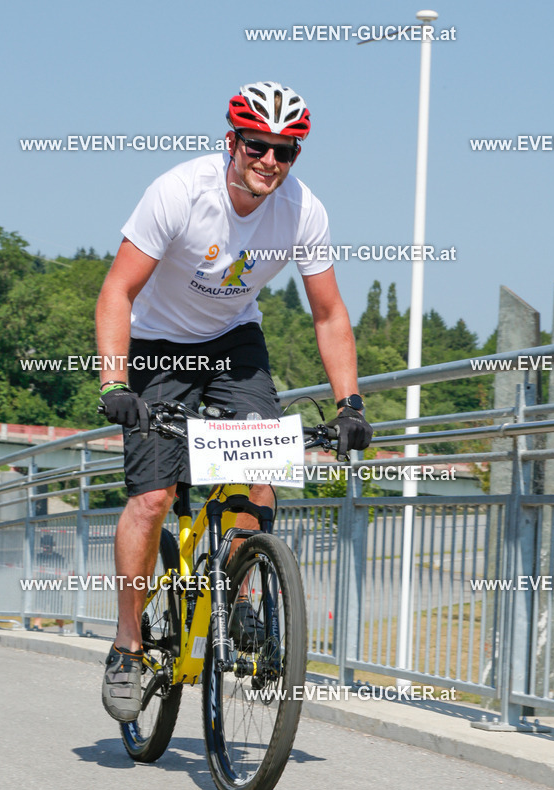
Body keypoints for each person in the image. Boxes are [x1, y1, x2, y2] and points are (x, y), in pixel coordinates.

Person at [96, 81, 373, 723]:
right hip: (157, 346)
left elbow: (328, 315)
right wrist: (114, 383)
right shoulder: (179, 192)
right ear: (233, 142)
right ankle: (128, 644)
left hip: (231, 343)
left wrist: (350, 404)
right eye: (258, 145)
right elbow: (117, 292)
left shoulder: (304, 212)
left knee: (263, 468)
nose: (270, 161)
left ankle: (238, 585)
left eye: (285, 150)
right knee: (152, 498)